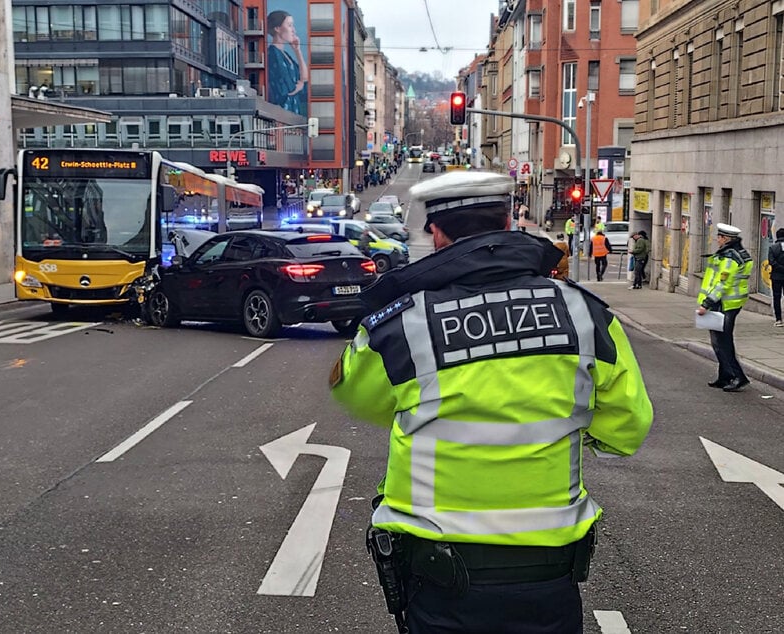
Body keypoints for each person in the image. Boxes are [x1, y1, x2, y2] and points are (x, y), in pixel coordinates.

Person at [329, 170, 654, 633]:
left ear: (437, 234)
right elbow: (628, 428)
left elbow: (357, 395)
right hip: (547, 577)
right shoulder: (584, 313)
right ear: (508, 222)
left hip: (442, 578)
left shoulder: (405, 324)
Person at [697, 223, 753, 392]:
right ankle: (725, 376)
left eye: (719, 237)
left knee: (722, 342)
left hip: (724, 303)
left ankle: (738, 377)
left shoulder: (730, 258)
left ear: (725, 238)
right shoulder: (733, 253)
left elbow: (723, 284)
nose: (717, 240)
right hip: (727, 303)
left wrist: (706, 303)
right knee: (719, 341)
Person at [266, 10, 308, 116]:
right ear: (277, 28)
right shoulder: (272, 54)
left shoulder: (285, 55)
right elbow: (288, 88)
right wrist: (299, 86)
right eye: (289, 25)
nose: (293, 30)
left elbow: (304, 79)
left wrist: (297, 51)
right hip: (282, 112)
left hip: (293, 111)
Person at [767, 227, 784, 326]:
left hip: (776, 276)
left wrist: (780, 268)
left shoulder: (773, 248)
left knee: (776, 297)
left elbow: (771, 262)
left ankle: (778, 319)